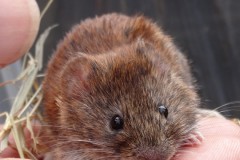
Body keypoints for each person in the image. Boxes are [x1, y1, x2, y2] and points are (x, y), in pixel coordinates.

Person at [0, 0, 240, 159]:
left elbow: (183, 98)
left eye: (163, 110)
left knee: (150, 34)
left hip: (139, 43)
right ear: (78, 95)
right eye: (117, 123)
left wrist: (187, 128)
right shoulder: (74, 118)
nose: (153, 154)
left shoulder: (154, 60)